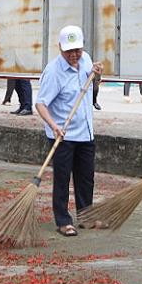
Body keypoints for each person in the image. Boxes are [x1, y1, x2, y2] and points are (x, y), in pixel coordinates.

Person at [35, 25, 104, 237]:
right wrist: (53, 126)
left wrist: (98, 77)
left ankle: (86, 217)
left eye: (77, 50)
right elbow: (40, 104)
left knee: (86, 177)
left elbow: (93, 91)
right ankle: (63, 220)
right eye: (69, 51)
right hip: (62, 134)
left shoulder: (86, 62)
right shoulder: (54, 72)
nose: (74, 55)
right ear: (60, 48)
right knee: (62, 178)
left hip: (85, 132)